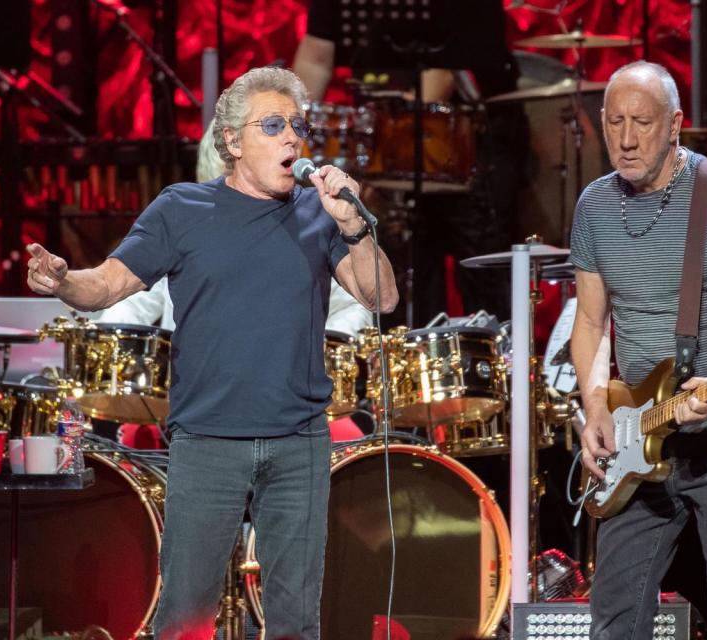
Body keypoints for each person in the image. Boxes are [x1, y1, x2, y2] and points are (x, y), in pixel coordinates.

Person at [26, 66, 398, 639]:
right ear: (231, 141)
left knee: (296, 621)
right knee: (185, 617)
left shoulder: (317, 214)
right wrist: (63, 280)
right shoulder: (183, 208)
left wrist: (352, 225)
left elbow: (384, 297)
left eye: (296, 126)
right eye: (272, 125)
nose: (290, 138)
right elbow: (107, 285)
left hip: (298, 441)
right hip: (207, 441)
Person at [571, 61, 707, 639]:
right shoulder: (593, 206)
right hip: (640, 433)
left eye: (642, 122)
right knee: (613, 620)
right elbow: (590, 322)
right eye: (614, 123)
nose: (627, 138)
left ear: (677, 124)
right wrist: (595, 409)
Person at [293, 0, 528, 325]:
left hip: (467, 139)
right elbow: (316, 57)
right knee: (409, 262)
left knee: (481, 270)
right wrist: (294, 124)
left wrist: (390, 142)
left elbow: (441, 71)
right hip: (389, 133)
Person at [99, 115, 372, 336]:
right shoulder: (185, 226)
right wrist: (110, 339)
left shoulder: (307, 231)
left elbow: (354, 307)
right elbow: (131, 303)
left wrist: (320, 354)